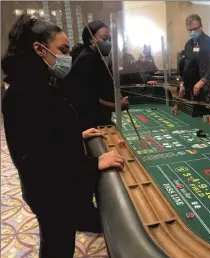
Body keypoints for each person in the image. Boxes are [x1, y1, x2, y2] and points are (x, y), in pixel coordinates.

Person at [1, 14, 125, 258]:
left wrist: (76, 134)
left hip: (57, 187)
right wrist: (94, 163)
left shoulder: (38, 83)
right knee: (57, 246)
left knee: (61, 239)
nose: (67, 56)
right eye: (63, 49)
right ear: (39, 48)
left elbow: (44, 133)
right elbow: (37, 159)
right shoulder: (22, 93)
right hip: (49, 192)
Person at [64, 20, 129, 128]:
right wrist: (117, 106)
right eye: (104, 38)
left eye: (110, 39)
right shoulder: (88, 59)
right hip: (90, 121)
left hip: (96, 117)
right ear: (91, 39)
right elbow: (90, 98)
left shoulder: (94, 57)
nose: (108, 42)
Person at [179, 14, 210, 103]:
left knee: (200, 113)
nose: (193, 31)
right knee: (187, 111)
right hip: (188, 86)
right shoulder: (188, 44)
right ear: (187, 29)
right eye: (190, 30)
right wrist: (182, 82)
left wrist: (202, 82)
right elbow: (186, 65)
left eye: (195, 29)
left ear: (201, 27)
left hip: (202, 86)